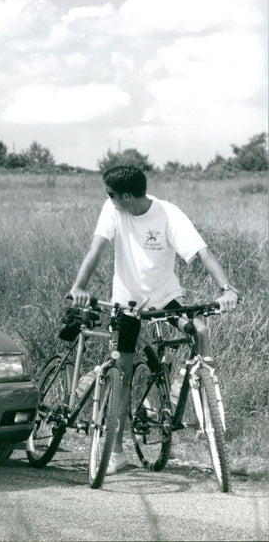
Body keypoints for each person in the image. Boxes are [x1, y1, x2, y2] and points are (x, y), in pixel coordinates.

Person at [68, 165, 239, 475]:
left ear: (127, 195)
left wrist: (226, 288)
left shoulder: (168, 214)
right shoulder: (112, 209)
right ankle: (116, 451)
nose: (108, 198)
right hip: (128, 303)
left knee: (199, 328)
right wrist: (79, 287)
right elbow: (96, 248)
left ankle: (197, 407)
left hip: (165, 298)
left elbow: (202, 252)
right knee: (123, 373)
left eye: (112, 194)